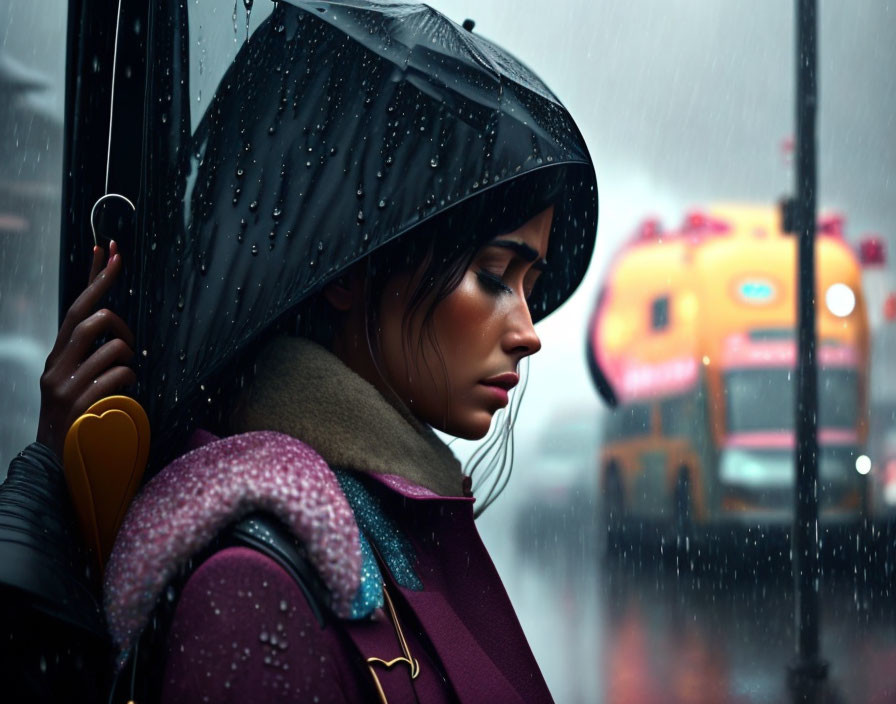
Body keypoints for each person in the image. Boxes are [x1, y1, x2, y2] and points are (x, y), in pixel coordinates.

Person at [1, 4, 597, 702]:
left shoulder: (385, 527)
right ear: (349, 270)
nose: (530, 331)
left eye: (530, 284)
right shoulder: (257, 591)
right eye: (495, 276)